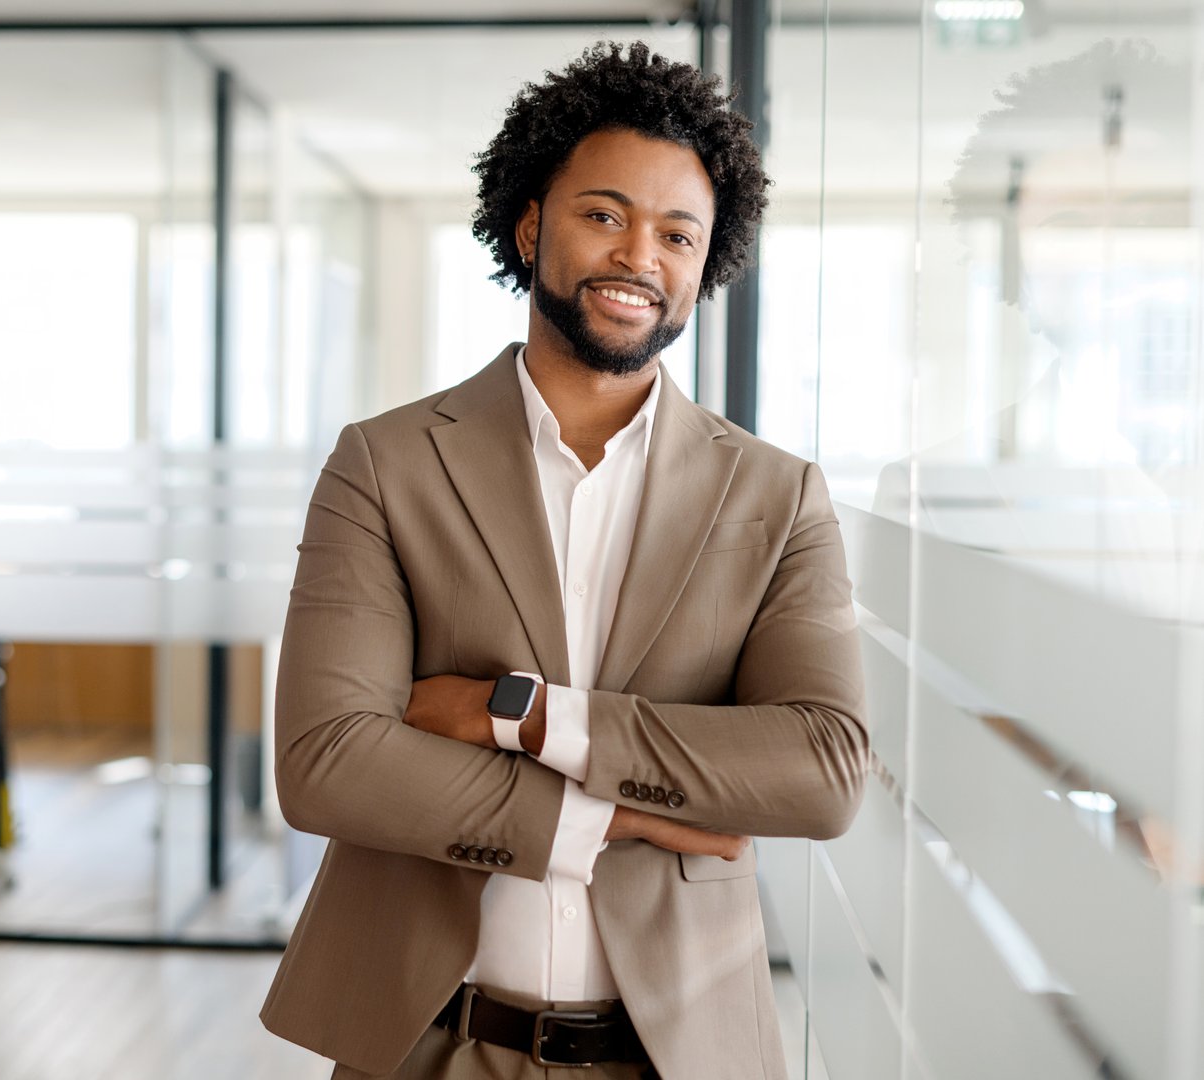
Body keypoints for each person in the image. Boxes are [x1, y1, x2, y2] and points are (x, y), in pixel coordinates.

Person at [261, 41, 868, 1079]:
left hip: (674, 1055)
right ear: (529, 223)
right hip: (426, 1044)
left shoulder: (776, 496)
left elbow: (820, 774)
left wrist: (522, 715)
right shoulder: (387, 462)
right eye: (603, 215)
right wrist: (617, 817)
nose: (640, 254)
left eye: (677, 233)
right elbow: (326, 763)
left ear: (704, 263)